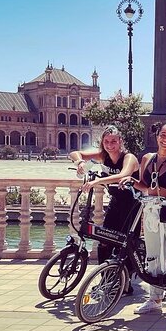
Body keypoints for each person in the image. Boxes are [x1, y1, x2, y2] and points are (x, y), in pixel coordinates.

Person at [120, 122, 166, 314]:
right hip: (151, 210)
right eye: (163, 134)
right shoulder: (147, 158)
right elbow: (145, 185)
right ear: (157, 136)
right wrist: (131, 181)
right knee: (153, 256)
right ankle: (155, 299)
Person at [68, 125, 140, 294]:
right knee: (104, 240)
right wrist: (79, 162)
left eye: (113, 141)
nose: (110, 145)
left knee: (126, 244)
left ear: (120, 141)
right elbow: (74, 153)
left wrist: (96, 182)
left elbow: (123, 175)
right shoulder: (103, 156)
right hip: (115, 203)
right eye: (106, 141)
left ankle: (125, 282)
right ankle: (106, 279)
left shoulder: (129, 157)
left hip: (132, 205)